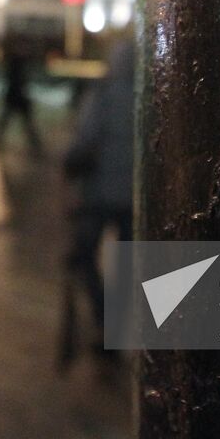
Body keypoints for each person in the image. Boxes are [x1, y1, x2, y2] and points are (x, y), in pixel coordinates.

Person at [61, 38, 135, 363]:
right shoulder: (151, 99)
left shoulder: (104, 94)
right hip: (133, 198)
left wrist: (69, 163)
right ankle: (118, 327)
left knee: (84, 256)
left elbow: (86, 139)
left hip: (99, 193)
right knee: (127, 262)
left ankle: (103, 318)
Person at [0, 40, 42, 155]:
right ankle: (34, 143)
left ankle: (35, 142)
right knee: (16, 120)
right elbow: (15, 81)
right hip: (15, 96)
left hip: (17, 96)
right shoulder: (15, 63)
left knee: (24, 122)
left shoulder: (18, 62)